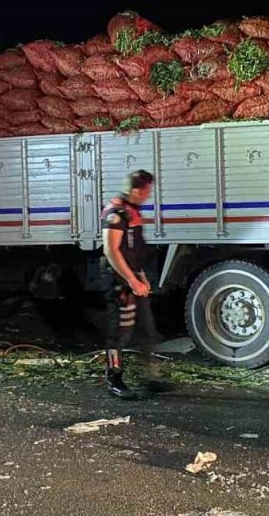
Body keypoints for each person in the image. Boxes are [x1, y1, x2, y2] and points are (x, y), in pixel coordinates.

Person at [101, 169, 172, 399]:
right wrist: (131, 280)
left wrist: (140, 276)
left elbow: (133, 250)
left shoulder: (132, 212)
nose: (148, 195)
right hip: (120, 282)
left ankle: (151, 378)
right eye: (146, 191)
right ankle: (114, 379)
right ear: (135, 190)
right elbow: (111, 250)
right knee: (120, 333)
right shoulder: (116, 214)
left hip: (134, 279)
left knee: (147, 330)